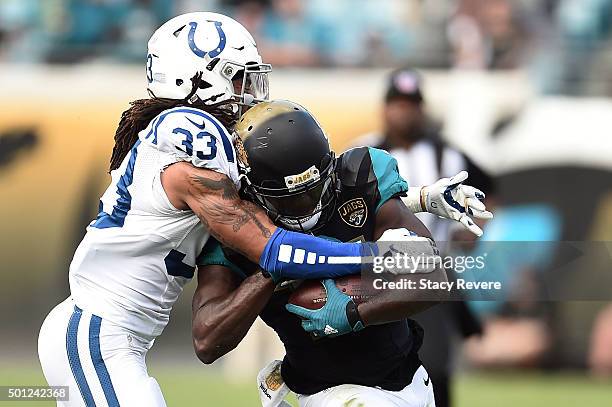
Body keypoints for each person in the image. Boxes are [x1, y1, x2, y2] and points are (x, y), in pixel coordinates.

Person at [37, 13, 392, 407]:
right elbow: (274, 250)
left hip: (109, 333)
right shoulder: (190, 145)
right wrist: (374, 256)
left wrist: (418, 199)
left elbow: (289, 200)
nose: (250, 90)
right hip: (97, 332)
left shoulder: (192, 145)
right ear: (200, 79)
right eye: (239, 77)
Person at [193, 100, 492, 407]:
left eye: (315, 190)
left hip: (407, 380)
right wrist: (273, 268)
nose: (308, 206)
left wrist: (355, 313)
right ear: (254, 192)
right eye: (292, 201)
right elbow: (206, 340)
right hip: (327, 392)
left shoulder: (360, 177)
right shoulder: (236, 229)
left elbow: (434, 277)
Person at [353, 68, 495, 407]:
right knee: (375, 362)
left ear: (423, 108)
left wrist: (473, 230)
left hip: (432, 268)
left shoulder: (449, 155)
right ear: (385, 107)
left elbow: (489, 193)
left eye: (412, 104)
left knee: (434, 361)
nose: (404, 112)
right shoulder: (362, 152)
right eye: (398, 103)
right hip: (377, 272)